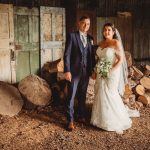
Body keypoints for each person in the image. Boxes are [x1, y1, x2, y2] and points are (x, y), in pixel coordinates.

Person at [91, 23, 139, 134]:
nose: (106, 32)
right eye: (105, 30)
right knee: (100, 92)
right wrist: (95, 70)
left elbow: (121, 60)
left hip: (112, 72)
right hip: (101, 71)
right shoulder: (101, 43)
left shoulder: (116, 43)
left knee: (109, 93)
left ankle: (112, 120)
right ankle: (100, 119)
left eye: (109, 30)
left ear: (113, 32)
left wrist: (110, 70)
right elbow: (99, 59)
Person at [63, 16, 96, 131]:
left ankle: (81, 115)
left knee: (82, 95)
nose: (86, 26)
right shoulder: (72, 36)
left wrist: (92, 70)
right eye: (84, 23)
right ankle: (70, 120)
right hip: (73, 71)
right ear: (79, 23)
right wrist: (67, 70)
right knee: (71, 95)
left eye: (88, 24)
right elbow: (66, 54)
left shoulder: (90, 38)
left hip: (86, 72)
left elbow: (91, 56)